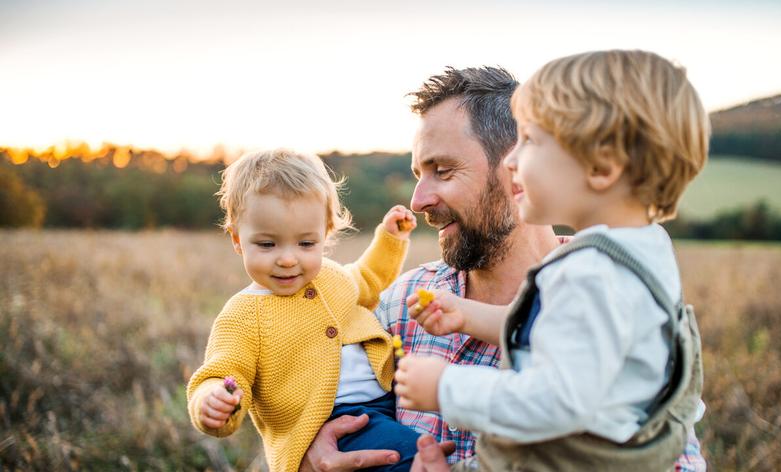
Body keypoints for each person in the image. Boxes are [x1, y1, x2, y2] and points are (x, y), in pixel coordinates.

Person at [300, 66, 706, 471]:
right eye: (418, 175)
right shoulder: (400, 304)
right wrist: (307, 449)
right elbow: (326, 406)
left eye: (442, 170)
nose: (418, 200)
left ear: (514, 165)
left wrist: (446, 387)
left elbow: (667, 453)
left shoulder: (615, 292)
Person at [186, 149, 422, 472]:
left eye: (306, 244)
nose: (287, 259)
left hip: (384, 402)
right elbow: (223, 372)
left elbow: (368, 279)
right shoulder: (243, 314)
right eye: (267, 244)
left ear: (325, 235)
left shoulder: (332, 277)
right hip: (332, 424)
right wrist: (212, 399)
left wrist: (390, 240)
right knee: (418, 456)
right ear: (238, 239)